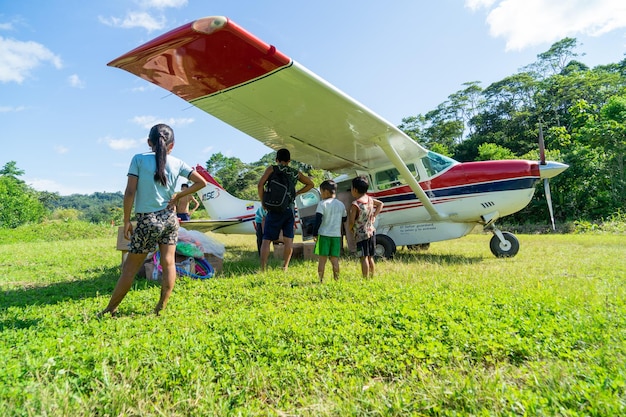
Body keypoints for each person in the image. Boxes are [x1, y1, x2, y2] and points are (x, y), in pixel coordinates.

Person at [99, 124, 207, 316]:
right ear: (172, 145)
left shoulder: (139, 159)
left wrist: (126, 221)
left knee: (129, 268)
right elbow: (201, 182)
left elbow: (130, 191)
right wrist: (176, 197)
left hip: (148, 220)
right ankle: (161, 308)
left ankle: (110, 309)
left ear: (149, 142)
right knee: (169, 263)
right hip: (170, 219)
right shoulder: (178, 163)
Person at [258, 148, 314, 272]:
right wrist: (297, 193)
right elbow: (311, 184)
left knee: (266, 239)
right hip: (289, 209)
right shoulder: (295, 173)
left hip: (274, 208)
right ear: (289, 161)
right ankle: (285, 266)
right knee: (288, 240)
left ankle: (263, 268)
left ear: (277, 159)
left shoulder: (272, 169)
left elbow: (260, 184)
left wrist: (263, 202)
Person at [348, 175, 383, 278]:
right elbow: (381, 204)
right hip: (371, 231)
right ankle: (372, 276)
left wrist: (350, 229)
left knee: (363, 257)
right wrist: (374, 216)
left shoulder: (355, 204)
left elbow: (351, 221)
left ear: (354, 189)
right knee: (370, 256)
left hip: (361, 235)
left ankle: (365, 278)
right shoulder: (369, 199)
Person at [313, 180, 347, 282]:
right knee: (335, 260)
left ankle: (320, 280)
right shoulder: (341, 204)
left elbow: (318, 220)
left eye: (321, 192)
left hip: (324, 235)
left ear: (326, 192)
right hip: (336, 236)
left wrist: (314, 233)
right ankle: (336, 279)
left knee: (322, 260)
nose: (321, 194)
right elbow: (344, 218)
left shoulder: (322, 204)